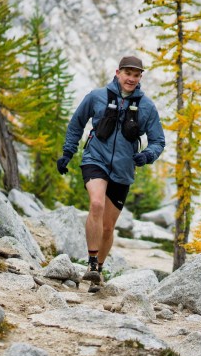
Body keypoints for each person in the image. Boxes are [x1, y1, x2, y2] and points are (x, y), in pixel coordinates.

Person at [57, 55, 165, 286]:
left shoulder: (146, 106)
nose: (131, 79)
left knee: (108, 227)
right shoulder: (97, 97)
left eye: (136, 75)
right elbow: (77, 123)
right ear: (118, 73)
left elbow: (158, 141)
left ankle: (98, 272)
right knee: (96, 204)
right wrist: (67, 153)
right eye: (128, 74)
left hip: (123, 170)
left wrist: (147, 155)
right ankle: (92, 262)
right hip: (95, 159)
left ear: (140, 77)